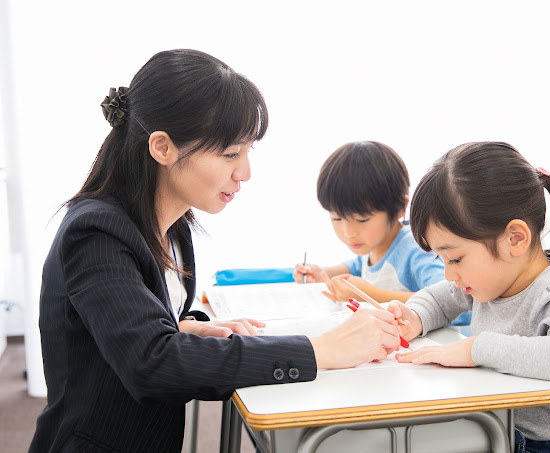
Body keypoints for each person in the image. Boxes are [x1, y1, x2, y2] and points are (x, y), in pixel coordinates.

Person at [29, 49, 401, 453]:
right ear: (162, 148)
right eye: (230, 154)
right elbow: (152, 363)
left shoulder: (172, 225)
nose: (245, 172)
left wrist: (183, 327)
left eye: (246, 152)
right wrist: (322, 350)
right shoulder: (96, 232)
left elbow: (132, 328)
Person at [388, 142, 550, 452]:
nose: (448, 275)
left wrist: (477, 349)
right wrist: (412, 317)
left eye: (454, 259)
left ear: (515, 239)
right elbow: (440, 300)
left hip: (542, 445)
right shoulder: (492, 281)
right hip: (498, 426)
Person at [294, 142, 462, 314]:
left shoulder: (414, 250)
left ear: (399, 209)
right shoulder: (373, 245)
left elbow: (453, 301)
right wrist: (323, 273)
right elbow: (357, 267)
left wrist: (368, 294)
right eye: (336, 218)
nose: (348, 233)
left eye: (362, 220)